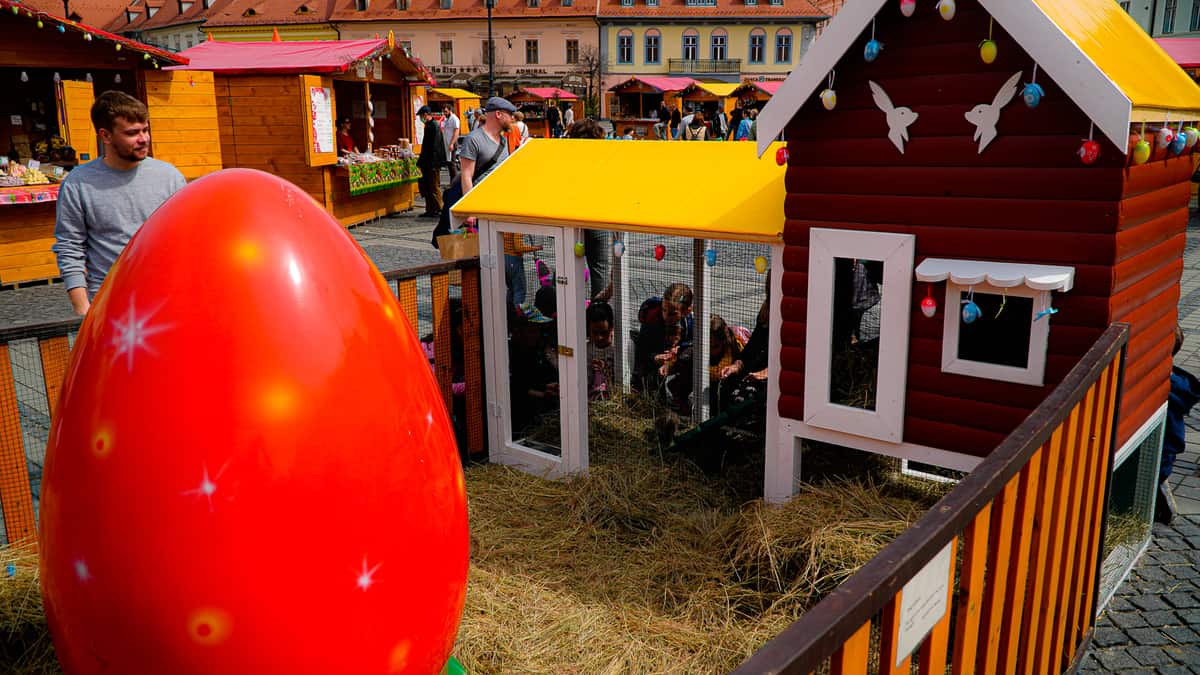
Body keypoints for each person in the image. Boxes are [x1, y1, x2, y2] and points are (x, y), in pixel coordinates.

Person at [52, 90, 185, 316]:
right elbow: (69, 247)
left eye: (145, 130)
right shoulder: (78, 183)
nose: (143, 139)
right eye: (133, 133)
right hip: (110, 306)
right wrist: (83, 307)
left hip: (167, 302)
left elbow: (187, 239)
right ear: (106, 136)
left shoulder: (170, 177)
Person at [431, 96, 516, 246]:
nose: (513, 118)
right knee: (475, 251)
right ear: (498, 114)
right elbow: (466, 175)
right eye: (510, 114)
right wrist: (470, 210)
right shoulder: (474, 139)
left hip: (494, 205)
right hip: (477, 205)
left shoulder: (503, 140)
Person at [562, 119, 612, 301]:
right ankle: (599, 315)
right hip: (597, 217)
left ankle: (571, 311)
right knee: (600, 269)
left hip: (571, 219)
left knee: (568, 267)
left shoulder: (567, 158)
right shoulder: (602, 158)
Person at [633, 283, 694, 410]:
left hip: (676, 360)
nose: (666, 316)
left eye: (672, 313)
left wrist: (681, 348)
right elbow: (642, 349)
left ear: (687, 311)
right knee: (653, 399)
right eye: (664, 310)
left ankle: (679, 395)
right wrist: (655, 357)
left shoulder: (691, 323)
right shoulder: (652, 319)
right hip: (655, 359)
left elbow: (694, 343)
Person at [1161, 325, 1200, 524]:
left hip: (1162, 457)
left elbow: (1171, 437)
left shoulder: (1166, 388)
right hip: (1168, 453)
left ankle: (1163, 497)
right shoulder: (1177, 383)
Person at [718, 278, 771, 411]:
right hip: (755, 369)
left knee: (745, 397)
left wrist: (766, 373)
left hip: (774, 374)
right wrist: (736, 365)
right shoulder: (766, 311)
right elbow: (752, 347)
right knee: (725, 385)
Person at [415, 105, 446, 218]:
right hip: (428, 162)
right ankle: (430, 209)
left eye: (421, 116)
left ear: (426, 115)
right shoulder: (429, 125)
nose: (420, 118)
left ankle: (439, 208)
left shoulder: (433, 126)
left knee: (433, 186)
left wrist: (433, 163)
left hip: (432, 163)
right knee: (427, 186)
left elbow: (435, 147)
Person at [503, 231, 541, 309]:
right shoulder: (517, 227)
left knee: (511, 289)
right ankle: (518, 315)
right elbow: (518, 247)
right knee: (520, 290)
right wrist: (536, 248)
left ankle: (508, 312)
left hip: (504, 258)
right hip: (514, 260)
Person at [587, 301, 615, 401]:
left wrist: (606, 370)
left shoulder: (619, 348)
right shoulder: (588, 348)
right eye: (594, 332)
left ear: (612, 328)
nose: (599, 337)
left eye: (604, 332)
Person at [441, 104, 461, 179]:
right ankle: (452, 181)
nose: (444, 113)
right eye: (443, 112)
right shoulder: (446, 119)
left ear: (450, 110)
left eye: (446, 111)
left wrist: (452, 143)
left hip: (452, 143)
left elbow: (456, 132)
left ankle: (454, 182)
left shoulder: (454, 119)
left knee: (452, 163)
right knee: (449, 163)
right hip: (447, 143)